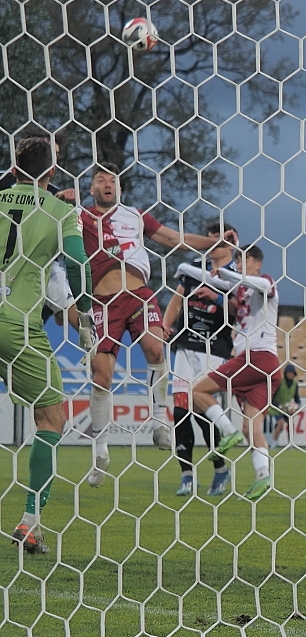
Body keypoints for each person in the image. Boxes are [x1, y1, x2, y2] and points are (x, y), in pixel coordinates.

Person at [80, 162, 222, 486]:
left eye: (113, 180)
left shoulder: (135, 215)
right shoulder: (80, 217)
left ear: (119, 188)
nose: (107, 184)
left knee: (156, 348)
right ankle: (100, 453)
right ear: (91, 188)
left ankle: (160, 421)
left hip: (138, 295)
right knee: (101, 376)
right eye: (101, 180)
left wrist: (213, 243)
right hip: (102, 302)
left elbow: (173, 238)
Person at [3, 135, 95, 553]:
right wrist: (85, 316)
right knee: (51, 420)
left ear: (14, 168)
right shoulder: (61, 212)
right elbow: (77, 265)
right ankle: (30, 524)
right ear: (52, 172)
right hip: (18, 326)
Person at [183, 246, 282, 502]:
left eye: (244, 259)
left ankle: (227, 431)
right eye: (237, 260)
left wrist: (225, 276)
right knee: (251, 427)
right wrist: (191, 273)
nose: (239, 264)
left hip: (256, 357)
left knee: (197, 391)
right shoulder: (241, 290)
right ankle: (263, 476)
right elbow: (226, 290)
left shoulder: (265, 282)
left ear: (257, 263)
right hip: (267, 367)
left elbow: (254, 284)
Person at [161, 220, 238, 497]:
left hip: (214, 348)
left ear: (231, 243)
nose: (213, 243)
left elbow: (237, 309)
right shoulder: (195, 267)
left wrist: (215, 296)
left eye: (219, 238)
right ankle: (186, 475)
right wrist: (165, 324)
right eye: (210, 237)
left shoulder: (235, 275)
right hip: (186, 344)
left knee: (203, 410)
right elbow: (177, 299)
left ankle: (220, 468)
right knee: (181, 411)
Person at [268, 364, 301, 447]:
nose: (290, 375)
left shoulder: (295, 384)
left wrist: (297, 406)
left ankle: (290, 443)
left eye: (292, 373)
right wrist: (280, 406)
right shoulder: (280, 382)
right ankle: (274, 442)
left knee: (291, 424)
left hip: (287, 409)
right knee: (280, 423)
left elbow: (297, 398)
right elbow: (272, 397)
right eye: (289, 373)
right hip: (276, 408)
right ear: (285, 373)